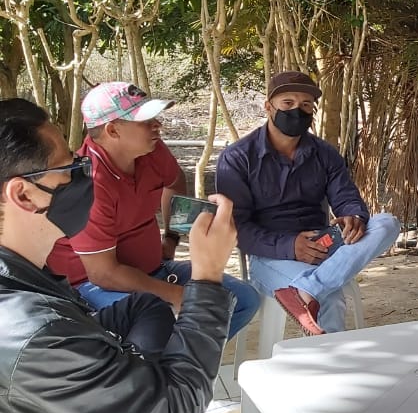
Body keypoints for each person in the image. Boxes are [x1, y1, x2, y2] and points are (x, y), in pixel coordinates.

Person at [0, 98, 306, 413]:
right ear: (23, 193)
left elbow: (142, 310)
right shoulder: (25, 330)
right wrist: (207, 278)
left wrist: (134, 411)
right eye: (69, 167)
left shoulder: (29, 282)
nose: (82, 175)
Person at [44, 81, 262, 338]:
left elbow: (174, 181)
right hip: (93, 287)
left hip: (155, 268)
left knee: (243, 300)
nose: (157, 124)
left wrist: (171, 237)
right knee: (159, 320)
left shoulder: (151, 150)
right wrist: (181, 296)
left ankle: (190, 359)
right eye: (145, 120)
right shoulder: (90, 185)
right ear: (113, 130)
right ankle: (171, 361)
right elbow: (103, 274)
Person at [216, 71, 400, 334]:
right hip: (270, 255)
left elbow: (346, 197)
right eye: (287, 103)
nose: (297, 111)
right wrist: (290, 246)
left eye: (305, 105)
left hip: (324, 245)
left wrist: (354, 217)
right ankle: (328, 348)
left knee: (387, 223)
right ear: (268, 107)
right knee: (329, 298)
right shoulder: (238, 158)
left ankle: (308, 289)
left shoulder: (325, 153)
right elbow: (236, 228)